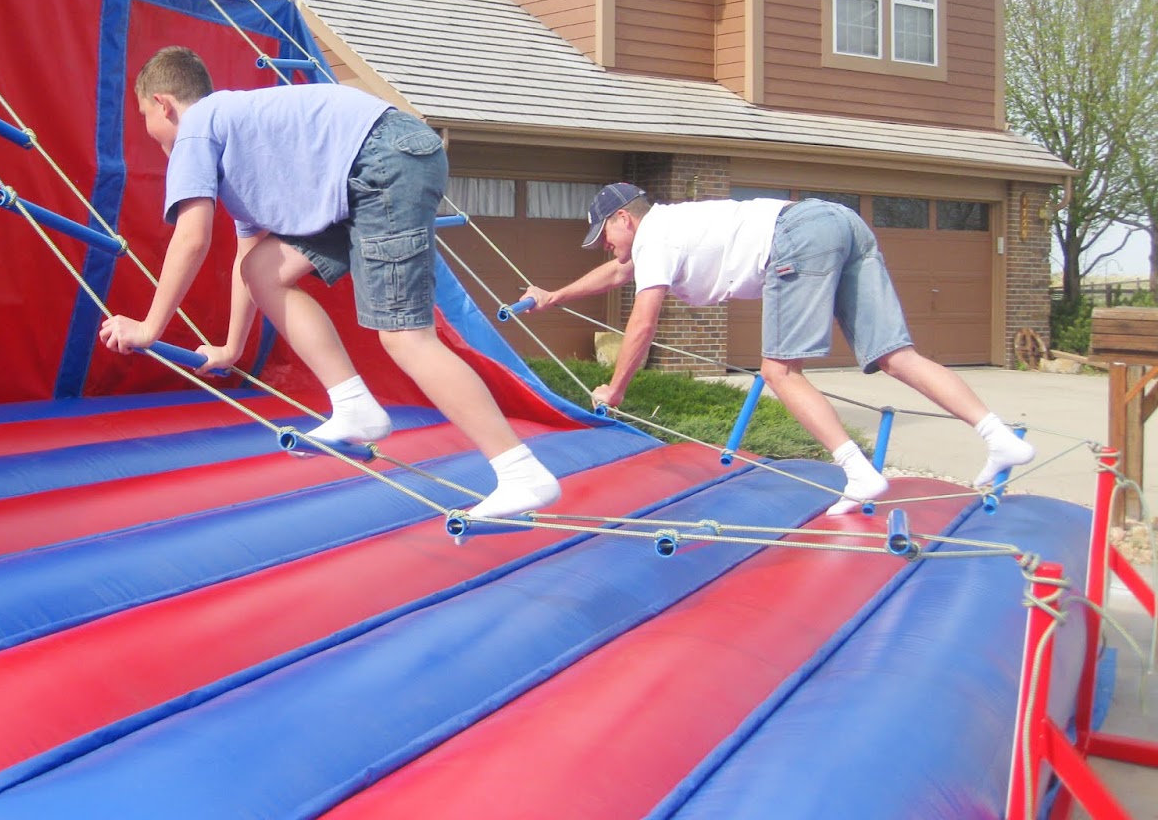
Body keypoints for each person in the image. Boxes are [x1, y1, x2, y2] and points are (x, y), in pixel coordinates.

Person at [98, 46, 561, 521]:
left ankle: (520, 469)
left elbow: (191, 238)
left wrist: (149, 328)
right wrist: (232, 347)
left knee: (406, 339)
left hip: (381, 159)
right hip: (370, 166)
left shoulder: (197, 126)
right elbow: (248, 259)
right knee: (264, 269)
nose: (151, 133)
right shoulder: (236, 135)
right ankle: (353, 404)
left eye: (143, 117)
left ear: (164, 104)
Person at [521, 183, 1034, 515]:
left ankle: (859, 473)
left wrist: (615, 388)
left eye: (604, 234)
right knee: (895, 354)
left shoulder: (654, 235)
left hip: (796, 235)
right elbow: (618, 272)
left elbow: (642, 321)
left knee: (778, 370)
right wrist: (556, 296)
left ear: (623, 220)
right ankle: (998, 436)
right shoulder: (668, 228)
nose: (605, 246)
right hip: (840, 221)